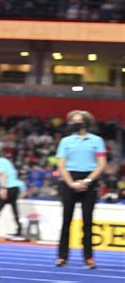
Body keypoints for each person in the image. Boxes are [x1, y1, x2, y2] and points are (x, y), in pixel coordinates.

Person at [55, 110, 106, 269]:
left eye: (77, 121)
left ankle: (89, 258)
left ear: (85, 123)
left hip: (89, 181)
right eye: (72, 121)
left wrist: (88, 180)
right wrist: (71, 183)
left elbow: (101, 164)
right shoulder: (65, 141)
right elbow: (61, 165)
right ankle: (62, 257)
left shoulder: (97, 140)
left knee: (88, 222)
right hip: (69, 181)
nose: (73, 124)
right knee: (66, 221)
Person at [0, 150, 26, 237]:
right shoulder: (6, 161)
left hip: (8, 187)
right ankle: (19, 229)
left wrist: (3, 188)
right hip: (15, 187)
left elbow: (3, 174)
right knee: (14, 210)